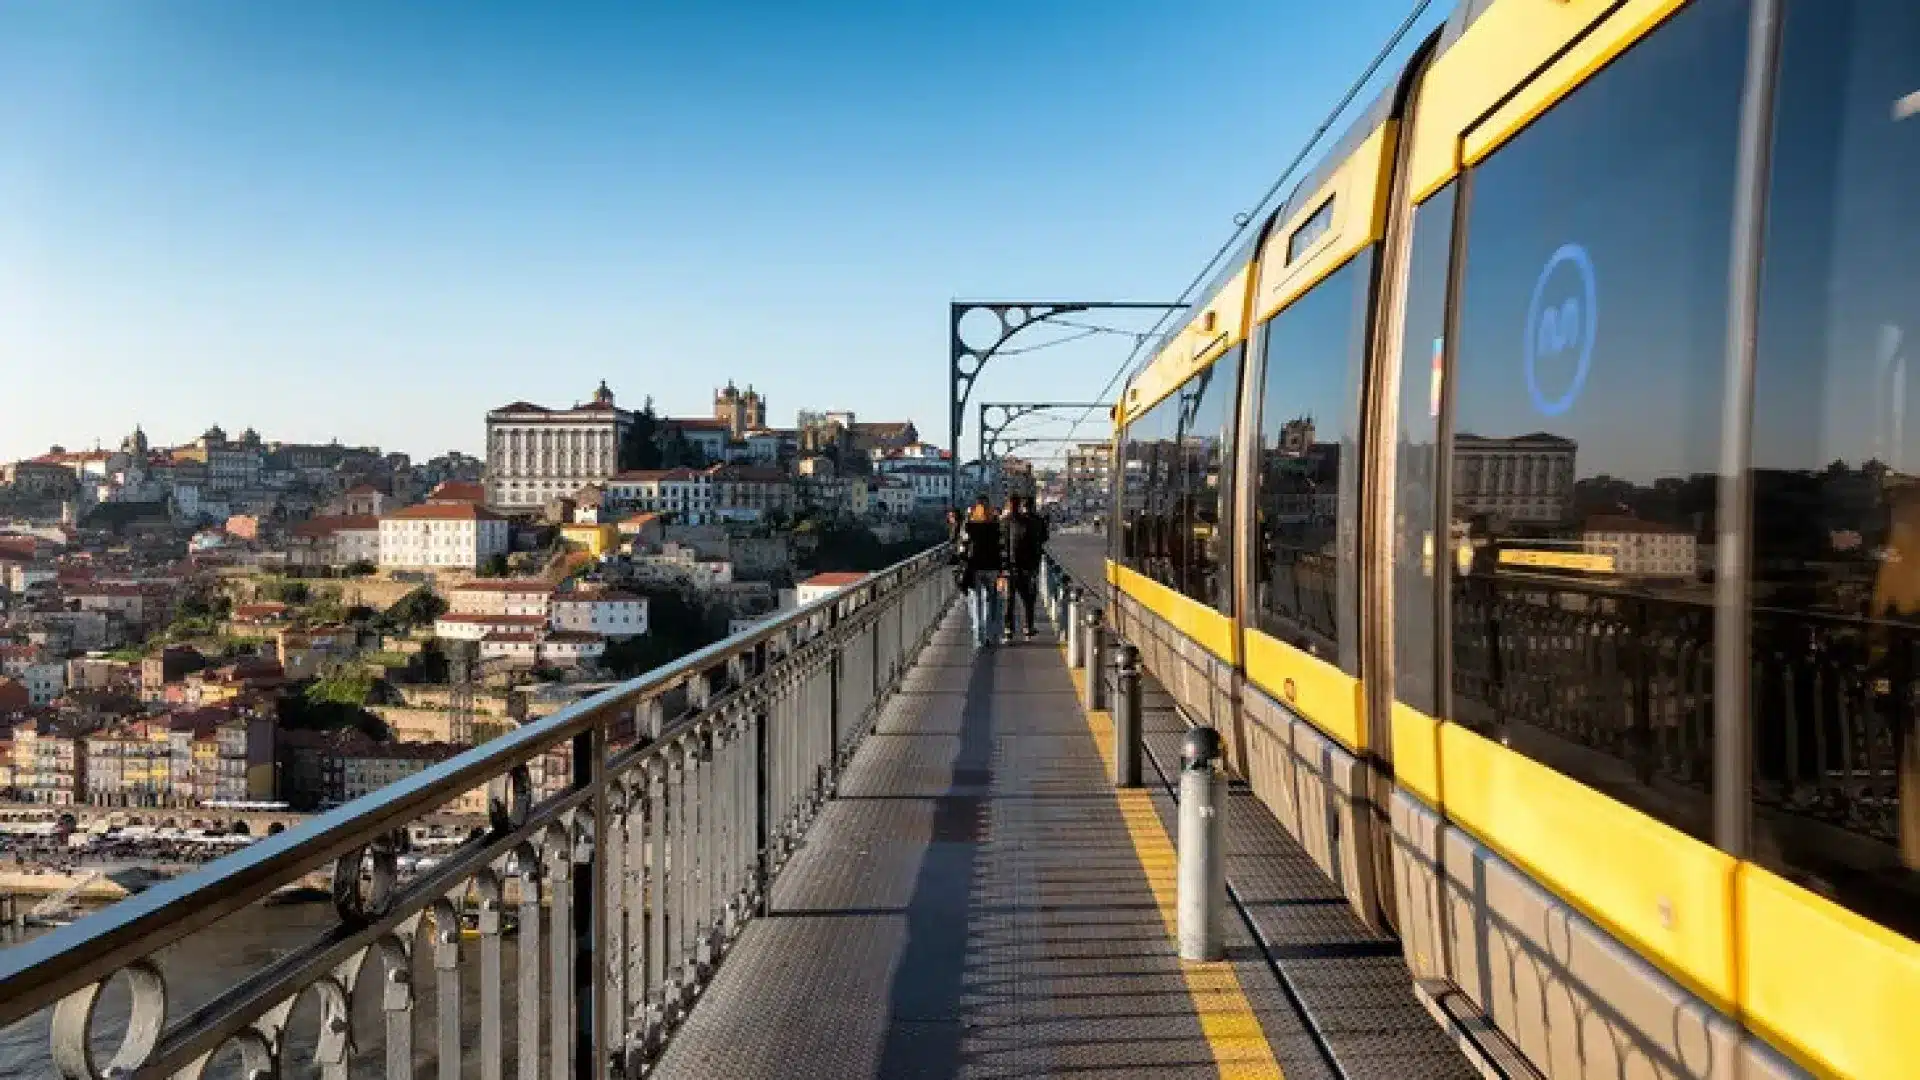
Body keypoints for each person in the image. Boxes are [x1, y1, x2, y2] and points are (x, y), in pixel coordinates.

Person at [1000, 493, 1047, 640]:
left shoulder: (1005, 521)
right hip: (1028, 566)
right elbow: (1043, 538)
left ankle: (1008, 629)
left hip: (1009, 566)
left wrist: (1002, 567)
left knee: (1009, 599)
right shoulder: (1033, 521)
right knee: (1028, 598)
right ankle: (1028, 626)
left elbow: (1001, 544)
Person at [960, 495, 1004, 648]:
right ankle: (989, 633)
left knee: (976, 599)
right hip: (992, 567)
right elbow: (1001, 546)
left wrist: (967, 517)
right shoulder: (996, 525)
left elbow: (963, 545)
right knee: (990, 600)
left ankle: (978, 634)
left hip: (975, 567)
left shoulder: (970, 526)